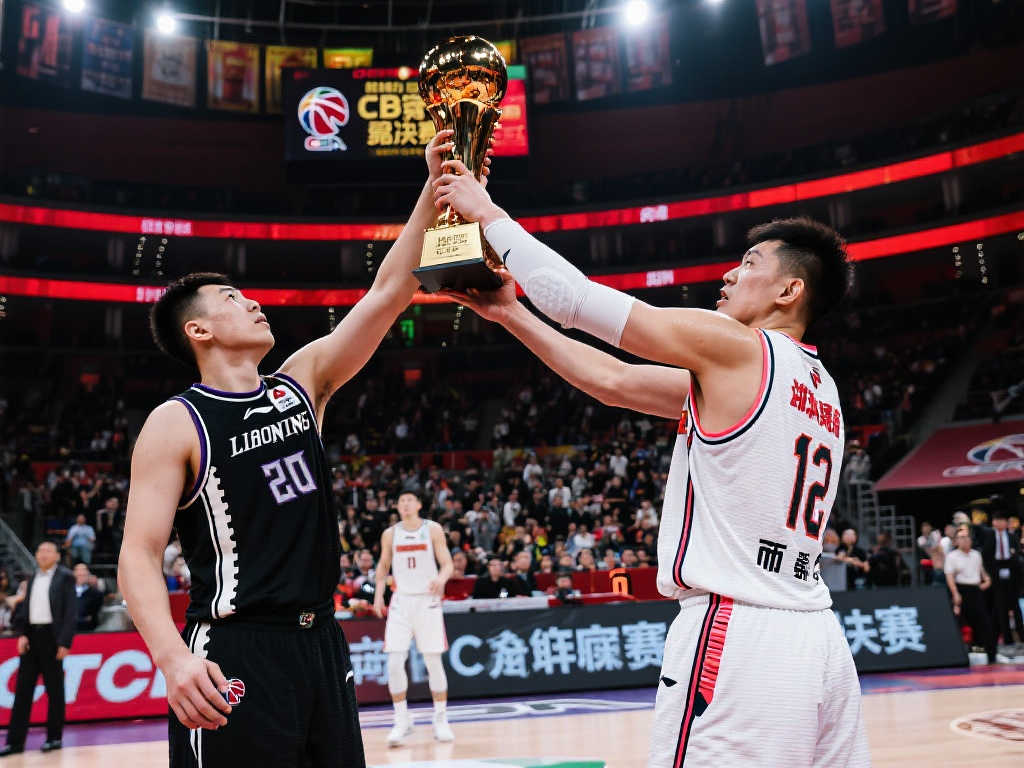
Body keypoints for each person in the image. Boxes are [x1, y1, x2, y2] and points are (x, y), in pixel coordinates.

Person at [435, 167, 867, 766]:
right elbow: (614, 381)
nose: (728, 274)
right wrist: (512, 314)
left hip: (740, 633)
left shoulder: (739, 347)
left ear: (788, 291)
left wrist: (487, 214)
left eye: (748, 263)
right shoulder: (820, 386)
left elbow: (577, 300)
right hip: (817, 636)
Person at [116, 129, 477, 767]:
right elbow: (138, 555)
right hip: (236, 646)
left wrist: (433, 188)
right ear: (198, 329)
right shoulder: (177, 422)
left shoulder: (299, 385)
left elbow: (389, 292)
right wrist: (172, 659)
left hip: (322, 644)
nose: (253, 302)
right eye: (232, 299)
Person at [372, 491, 455, 746]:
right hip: (401, 601)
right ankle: (402, 720)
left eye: (410, 500)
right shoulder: (390, 533)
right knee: (394, 662)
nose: (405, 504)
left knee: (433, 661)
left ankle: (440, 719)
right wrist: (378, 595)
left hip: (427, 601)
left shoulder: (433, 529)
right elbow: (383, 566)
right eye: (401, 501)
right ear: (397, 507)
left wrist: (441, 579)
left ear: (419, 504)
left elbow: (447, 563)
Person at [1, 541, 77, 756]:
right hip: (32, 637)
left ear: (57, 556)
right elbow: (27, 608)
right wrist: (23, 633)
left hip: (53, 638)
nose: (43, 554)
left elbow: (71, 611)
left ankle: (54, 738)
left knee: (55, 691)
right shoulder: (33, 576)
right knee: (22, 691)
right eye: (40, 550)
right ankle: (15, 743)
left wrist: (65, 642)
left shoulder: (65, 577)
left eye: (47, 551)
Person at [945, 527, 996, 663]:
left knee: (984, 623)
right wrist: (955, 593)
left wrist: (987, 581)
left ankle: (990, 655)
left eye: (967, 537)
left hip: (976, 591)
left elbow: (983, 573)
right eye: (961, 537)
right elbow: (950, 577)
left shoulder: (976, 555)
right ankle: (958, 657)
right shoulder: (952, 556)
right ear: (956, 541)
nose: (965, 540)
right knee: (960, 624)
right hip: (961, 590)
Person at [990, 510, 1023, 645]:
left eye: (1002, 520)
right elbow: (987, 556)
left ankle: (1021, 636)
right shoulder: (990, 537)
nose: (1000, 523)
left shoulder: (1012, 537)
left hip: (1012, 573)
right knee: (1001, 608)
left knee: (1015, 607)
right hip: (996, 574)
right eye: (997, 520)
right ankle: (1007, 639)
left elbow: (1017, 555)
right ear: (994, 522)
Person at [74, 563, 104, 631]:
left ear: (88, 575)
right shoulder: (66, 592)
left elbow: (93, 616)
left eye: (83, 574)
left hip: (89, 631)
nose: (81, 574)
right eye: (79, 574)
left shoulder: (97, 594)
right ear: (74, 573)